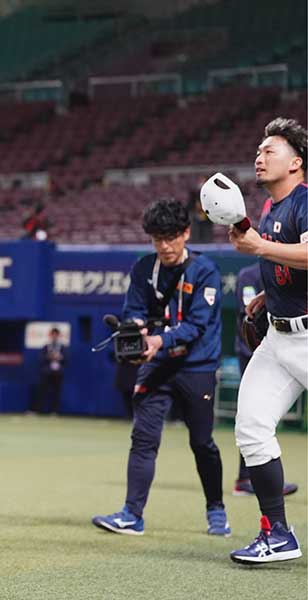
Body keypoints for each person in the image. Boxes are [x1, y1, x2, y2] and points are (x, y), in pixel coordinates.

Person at [92, 199, 229, 537]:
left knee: (202, 442)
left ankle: (216, 509)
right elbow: (134, 310)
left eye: (171, 237)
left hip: (197, 366)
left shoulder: (205, 270)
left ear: (186, 233)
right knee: (143, 439)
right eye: (157, 239)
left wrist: (157, 341)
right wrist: (137, 331)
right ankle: (131, 514)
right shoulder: (142, 269)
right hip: (156, 365)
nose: (165, 246)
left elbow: (197, 325)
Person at [227, 118, 307, 565]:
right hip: (278, 339)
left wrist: (259, 249)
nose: (259, 156)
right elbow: (285, 262)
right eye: (257, 150)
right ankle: (277, 533)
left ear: (296, 162)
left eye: (270, 150)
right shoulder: (270, 207)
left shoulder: (306, 201)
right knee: (252, 428)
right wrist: (265, 295)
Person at [231, 262, 298, 498]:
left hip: (283, 344)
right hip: (252, 350)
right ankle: (245, 477)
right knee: (253, 416)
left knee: (261, 419)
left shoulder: (291, 269)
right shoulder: (248, 274)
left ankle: (258, 478)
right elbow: (248, 311)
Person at [31, 327, 66, 414]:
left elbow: (66, 359)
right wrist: (49, 357)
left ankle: (54, 411)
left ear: (58, 336)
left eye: (56, 334)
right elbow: (41, 358)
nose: (54, 336)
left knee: (56, 392)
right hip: (46, 372)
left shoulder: (62, 347)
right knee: (42, 391)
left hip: (58, 373)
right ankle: (38, 410)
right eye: (52, 334)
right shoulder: (46, 346)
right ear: (50, 335)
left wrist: (60, 358)